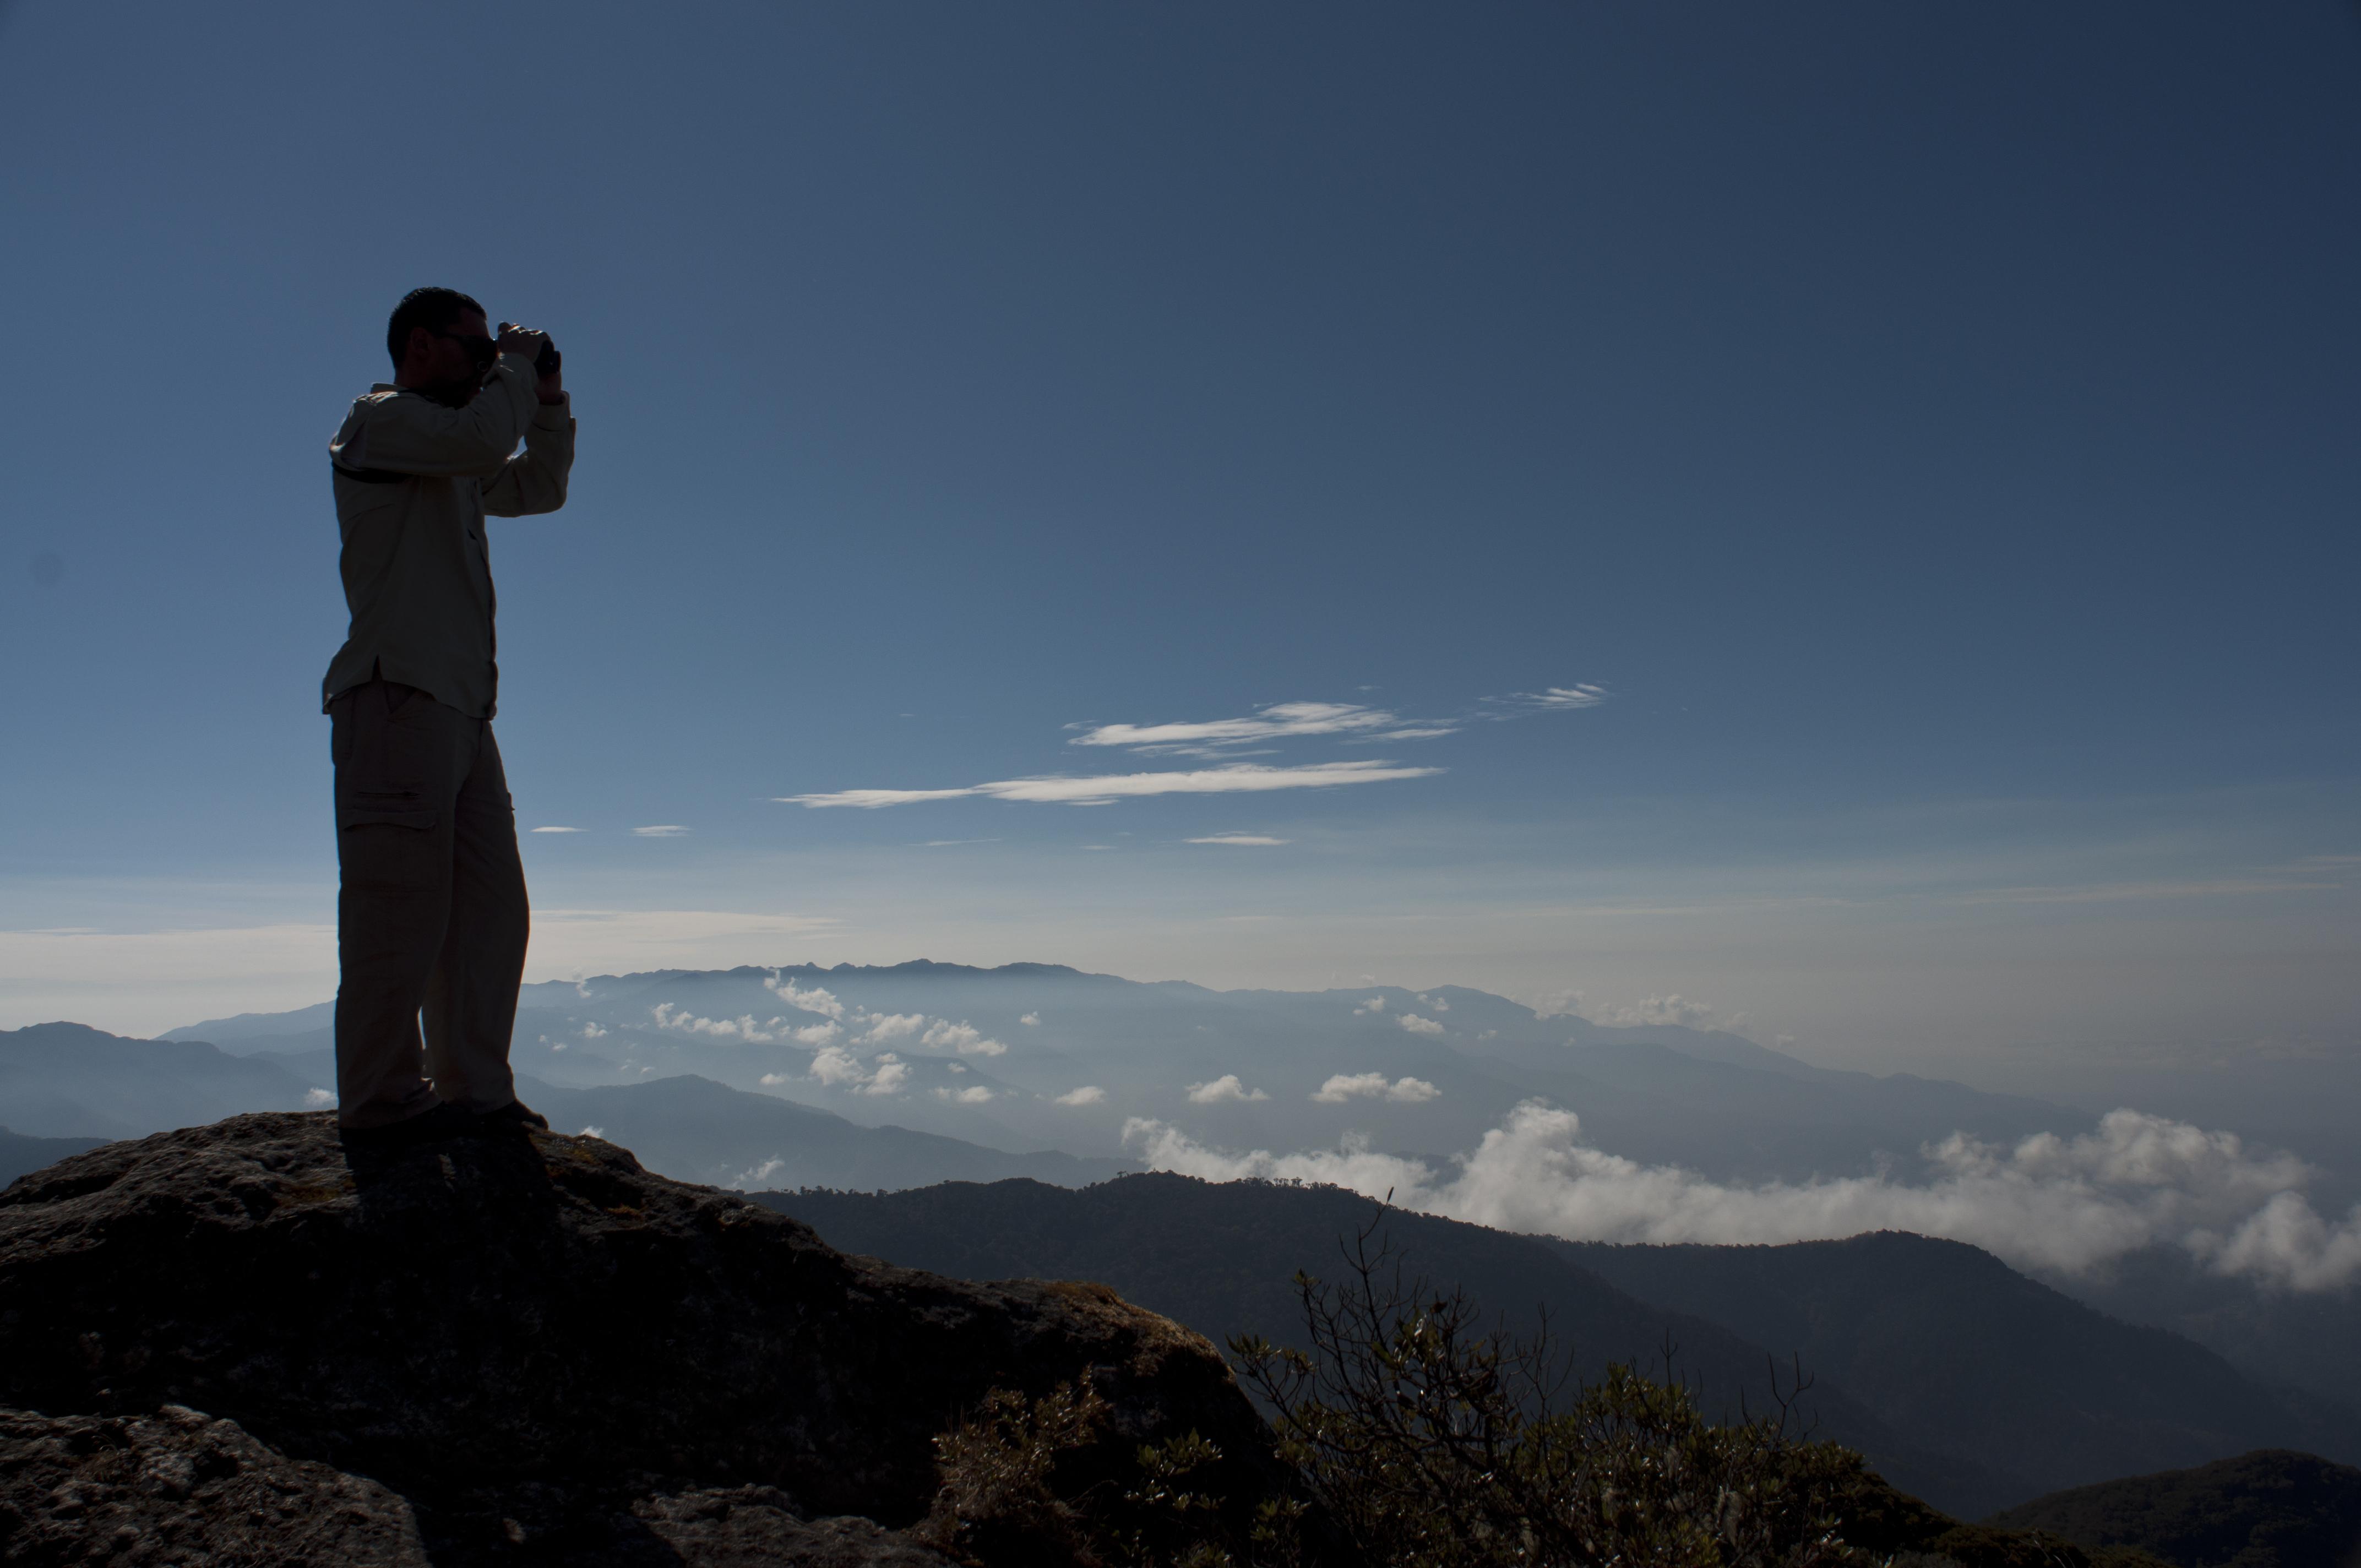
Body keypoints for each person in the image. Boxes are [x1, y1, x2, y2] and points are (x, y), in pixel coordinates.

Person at [321, 286, 575, 1144]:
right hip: (397, 698)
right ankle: (385, 1106)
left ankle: (474, 1091)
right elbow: (480, 440)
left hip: (462, 712)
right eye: (473, 350)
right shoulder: (380, 423)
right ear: (421, 346)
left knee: (488, 913)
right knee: (398, 912)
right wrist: (514, 367)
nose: (484, 365)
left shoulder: (446, 459)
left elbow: (538, 486)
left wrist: (548, 399)